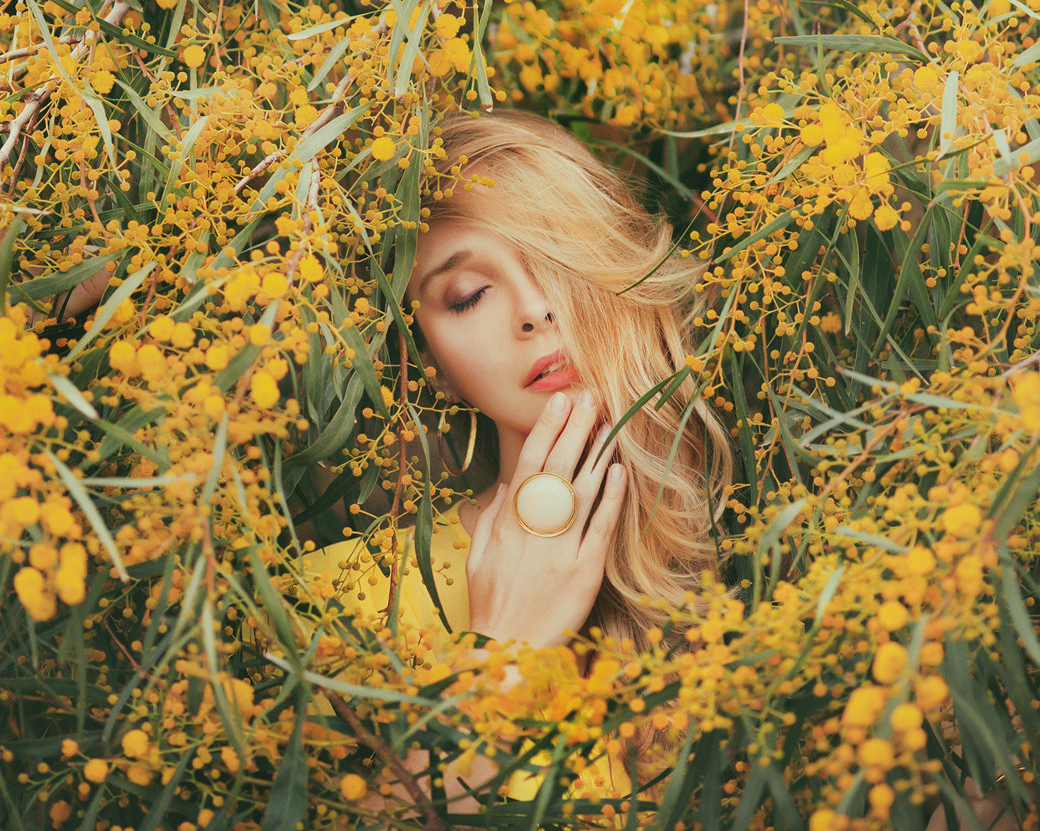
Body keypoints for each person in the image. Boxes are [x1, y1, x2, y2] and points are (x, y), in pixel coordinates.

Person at [297, 107, 735, 812]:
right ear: (432, 367)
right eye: (468, 296)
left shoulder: (778, 559)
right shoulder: (340, 608)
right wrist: (500, 655)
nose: (533, 309)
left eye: (554, 256)